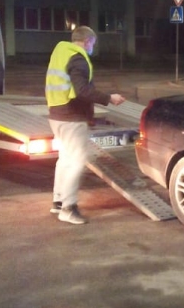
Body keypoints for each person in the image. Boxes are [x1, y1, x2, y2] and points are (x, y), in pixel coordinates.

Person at [45, 26, 125, 224]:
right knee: (76, 161)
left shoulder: (61, 53)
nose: (92, 48)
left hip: (56, 113)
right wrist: (109, 98)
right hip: (72, 117)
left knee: (65, 159)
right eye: (93, 44)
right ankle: (68, 208)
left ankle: (58, 202)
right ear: (87, 41)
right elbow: (82, 90)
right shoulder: (78, 60)